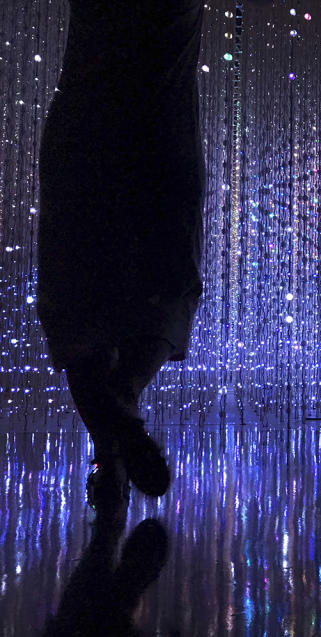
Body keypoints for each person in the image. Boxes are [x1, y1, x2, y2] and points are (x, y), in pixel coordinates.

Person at [37, 1, 205, 508]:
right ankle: (124, 401)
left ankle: (111, 446)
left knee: (76, 300)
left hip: (84, 134)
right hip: (163, 136)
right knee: (167, 288)